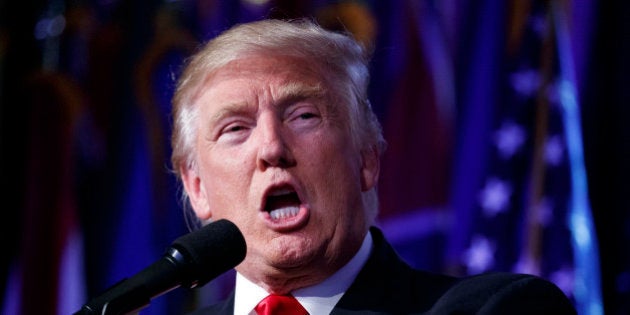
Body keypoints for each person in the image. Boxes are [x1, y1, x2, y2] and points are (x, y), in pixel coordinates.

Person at [171, 18, 576, 315]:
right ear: (197, 187)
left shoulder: (498, 309)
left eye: (304, 116)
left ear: (367, 157)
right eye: (236, 128)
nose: (272, 147)